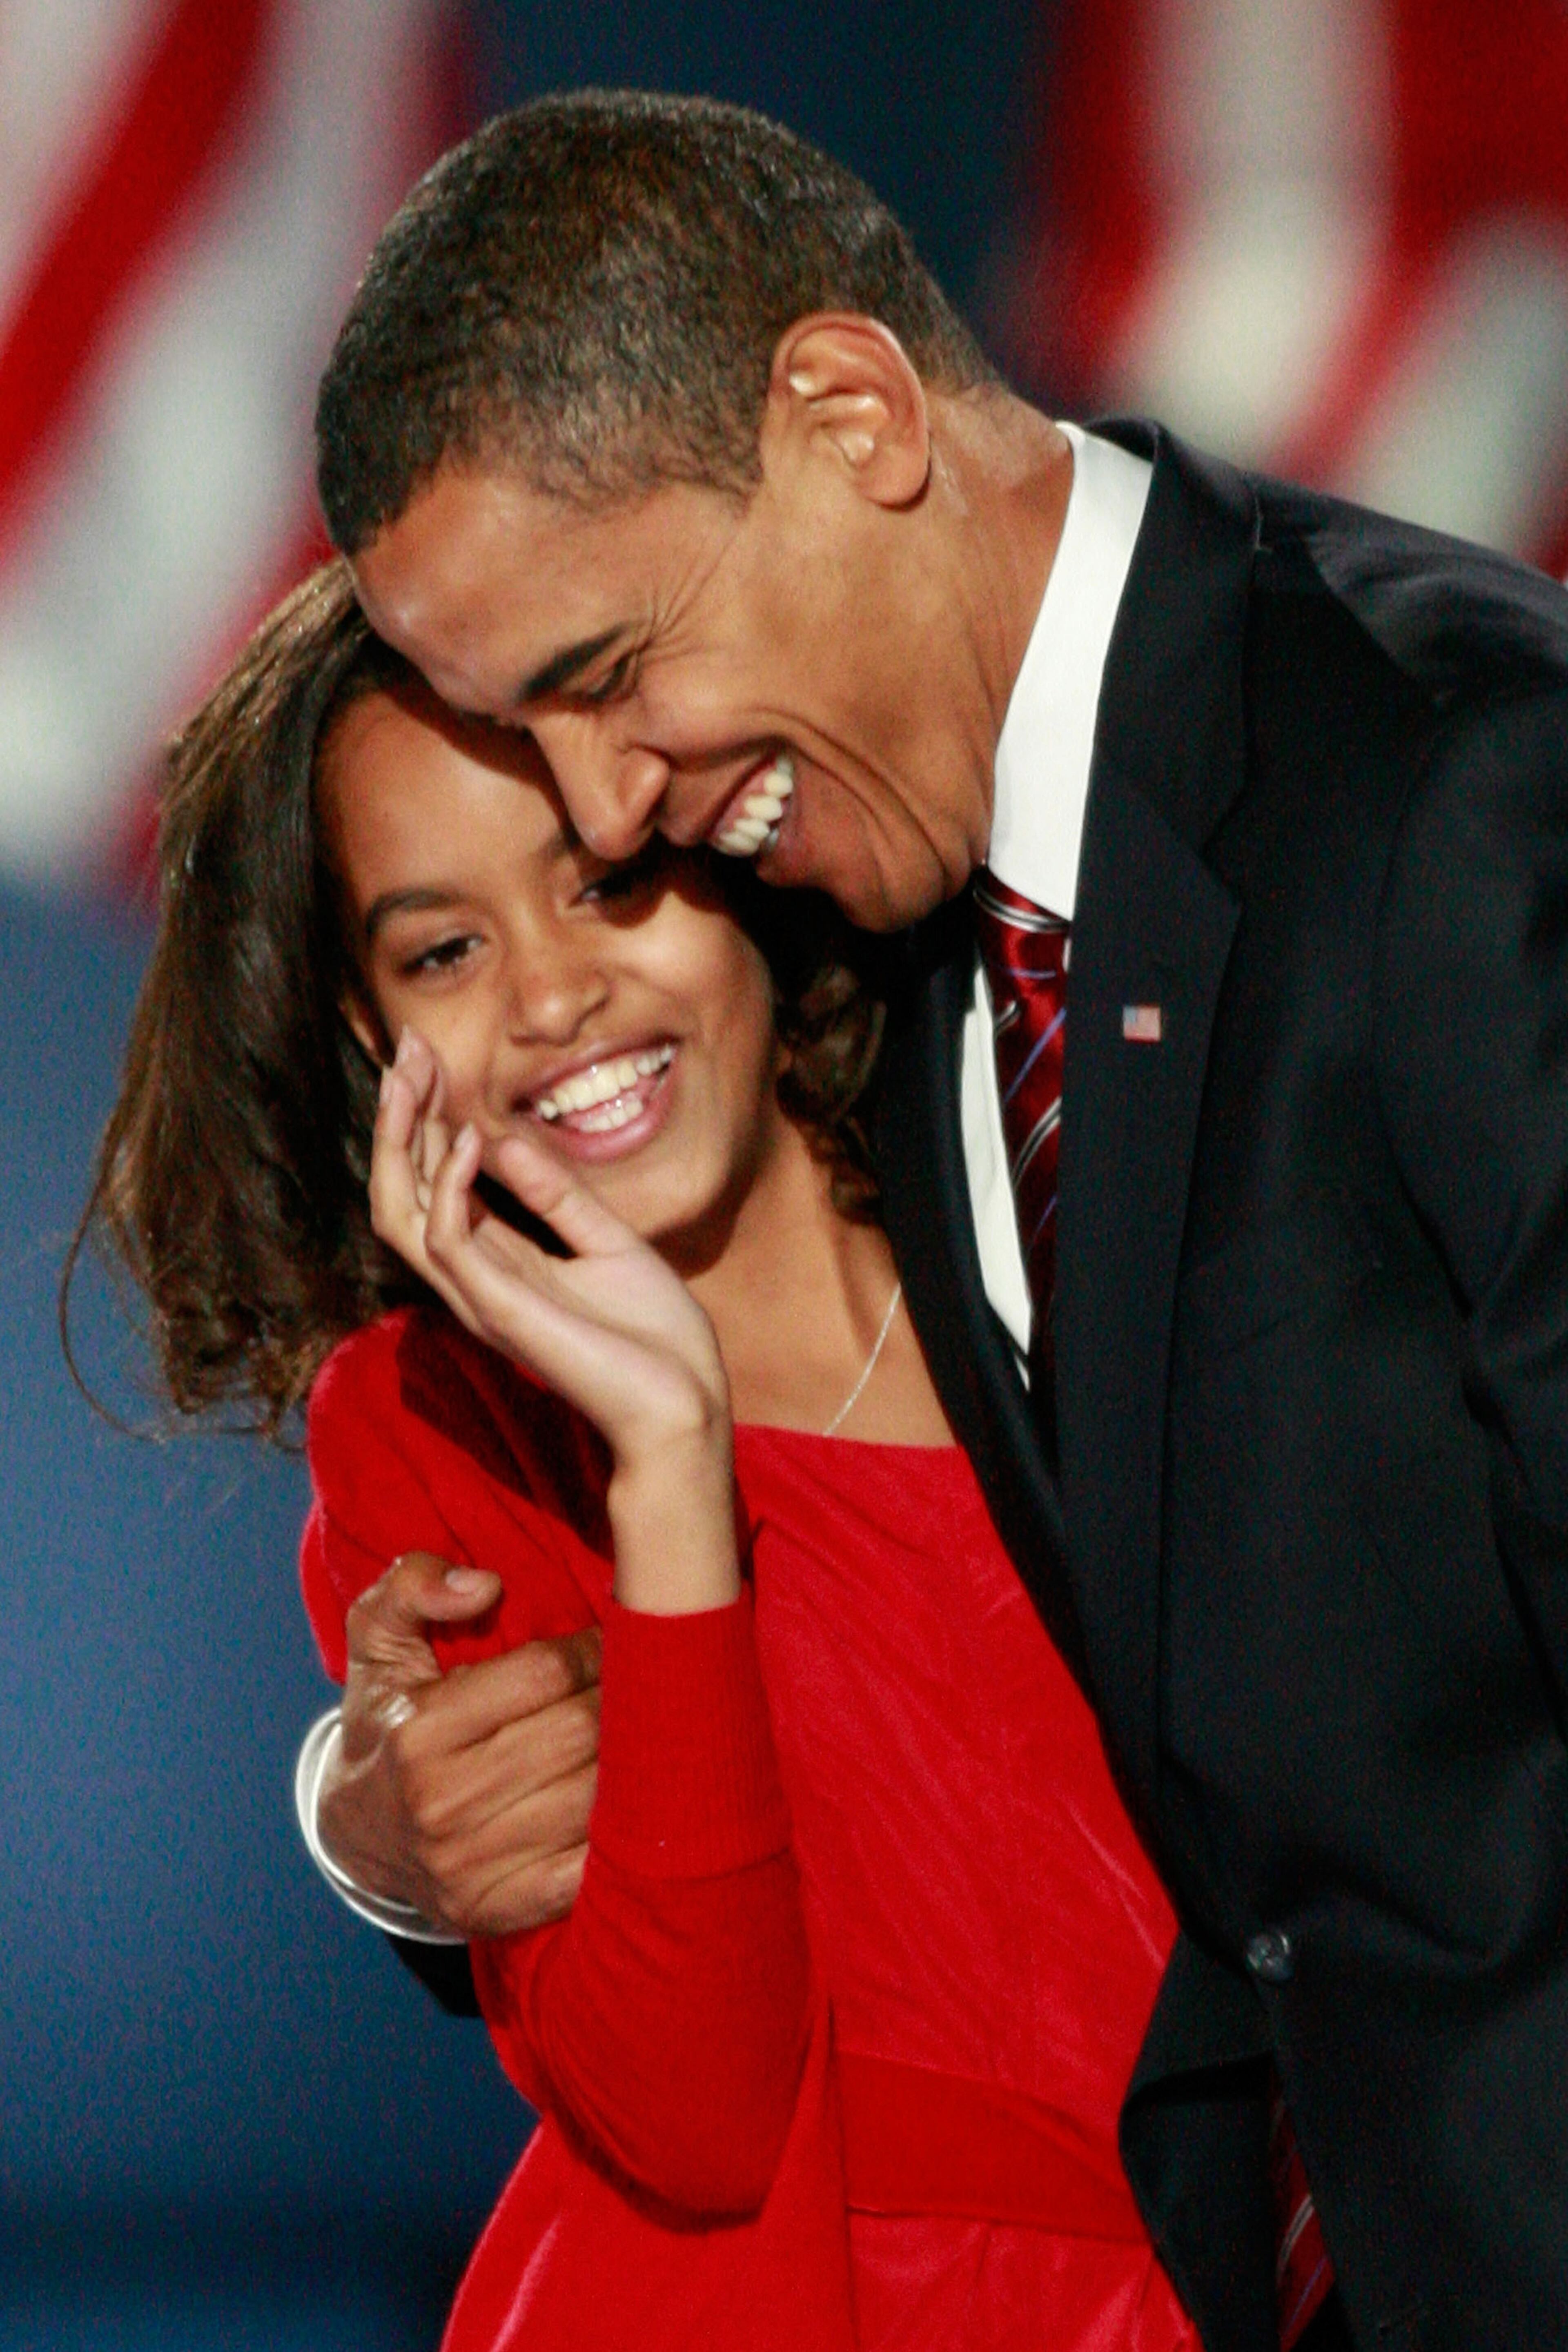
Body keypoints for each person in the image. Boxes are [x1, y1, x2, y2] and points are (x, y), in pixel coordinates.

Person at [302, 91, 1568, 2351]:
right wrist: (381, 1825)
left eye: (605, 680)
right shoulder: (878, 937)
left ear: (850, 413)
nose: (616, 814)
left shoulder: (1460, 786)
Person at [82, 559, 1207, 2348]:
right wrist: (671, 1466)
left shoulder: (1080, 1196)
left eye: (607, 886)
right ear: (379, 1039)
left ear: (742, 865)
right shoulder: (431, 1432)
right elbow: (694, 2114)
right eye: (443, 949)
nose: (549, 998)